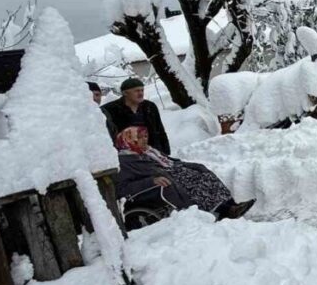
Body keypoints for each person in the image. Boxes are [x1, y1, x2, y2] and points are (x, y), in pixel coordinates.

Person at [114, 126, 251, 222]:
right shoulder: (124, 161)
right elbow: (122, 188)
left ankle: (230, 205)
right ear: (129, 140)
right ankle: (224, 211)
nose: (145, 140)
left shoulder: (148, 151)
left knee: (203, 173)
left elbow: (170, 161)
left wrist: (190, 165)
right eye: (140, 137)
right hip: (160, 183)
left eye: (145, 136)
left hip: (172, 171)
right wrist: (151, 181)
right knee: (191, 181)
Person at [101, 77, 171, 155]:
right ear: (125, 93)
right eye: (136, 91)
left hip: (152, 151)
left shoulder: (149, 106)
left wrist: (165, 153)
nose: (141, 93)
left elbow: (160, 130)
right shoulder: (110, 109)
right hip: (127, 155)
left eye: (142, 90)